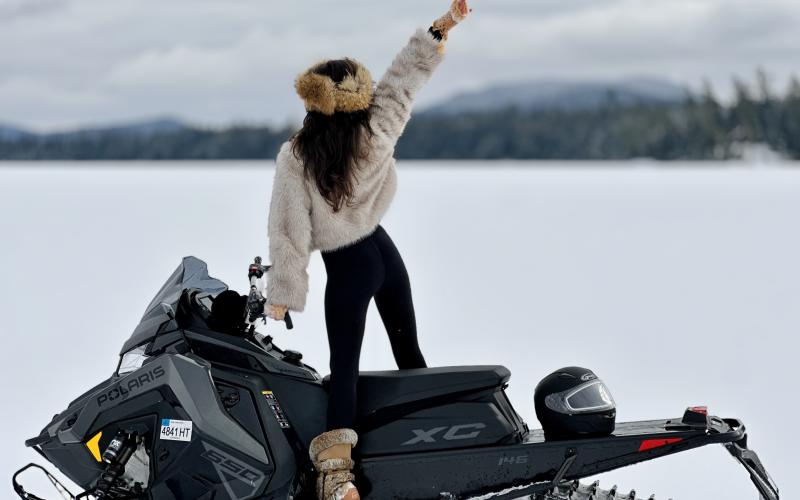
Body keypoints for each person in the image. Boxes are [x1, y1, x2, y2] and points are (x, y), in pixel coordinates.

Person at [265, 2, 470, 498]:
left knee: (346, 373)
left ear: (314, 103)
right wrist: (441, 28)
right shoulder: (378, 130)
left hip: (350, 268)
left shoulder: (297, 156)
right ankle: (435, 446)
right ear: (358, 100)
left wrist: (282, 294)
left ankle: (337, 480)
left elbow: (287, 229)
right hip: (385, 256)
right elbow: (405, 79)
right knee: (409, 353)